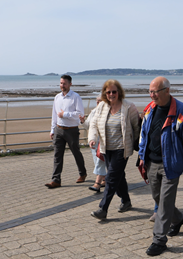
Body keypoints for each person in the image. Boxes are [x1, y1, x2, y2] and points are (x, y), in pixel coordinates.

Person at [139, 76, 183, 256]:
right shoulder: (150, 109)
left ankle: (159, 240)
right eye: (150, 92)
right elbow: (144, 135)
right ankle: (179, 218)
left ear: (167, 90)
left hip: (171, 165)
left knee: (165, 203)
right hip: (151, 162)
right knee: (158, 198)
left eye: (155, 92)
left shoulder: (182, 111)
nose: (152, 96)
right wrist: (142, 156)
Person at [88, 79, 140, 220]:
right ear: (105, 93)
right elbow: (93, 124)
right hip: (106, 148)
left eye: (114, 91)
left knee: (111, 177)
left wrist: (135, 144)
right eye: (108, 92)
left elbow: (136, 128)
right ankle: (126, 201)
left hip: (122, 149)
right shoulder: (102, 107)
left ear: (119, 92)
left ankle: (103, 208)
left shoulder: (129, 107)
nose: (111, 94)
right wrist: (92, 138)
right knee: (118, 176)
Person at [45, 75, 87, 189]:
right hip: (59, 129)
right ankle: (56, 180)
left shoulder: (75, 97)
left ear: (70, 84)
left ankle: (82, 173)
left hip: (72, 130)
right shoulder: (57, 97)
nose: (62, 86)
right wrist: (52, 129)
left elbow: (80, 115)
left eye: (64, 83)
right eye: (61, 83)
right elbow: (54, 114)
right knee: (57, 155)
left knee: (76, 152)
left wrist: (65, 115)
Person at [81, 95, 107, 192]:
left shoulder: (107, 112)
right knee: (97, 161)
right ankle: (104, 179)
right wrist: (83, 121)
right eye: (97, 101)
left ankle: (98, 183)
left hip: (103, 141)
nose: (98, 103)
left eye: (100, 101)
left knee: (101, 161)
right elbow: (88, 126)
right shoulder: (93, 112)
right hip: (94, 142)